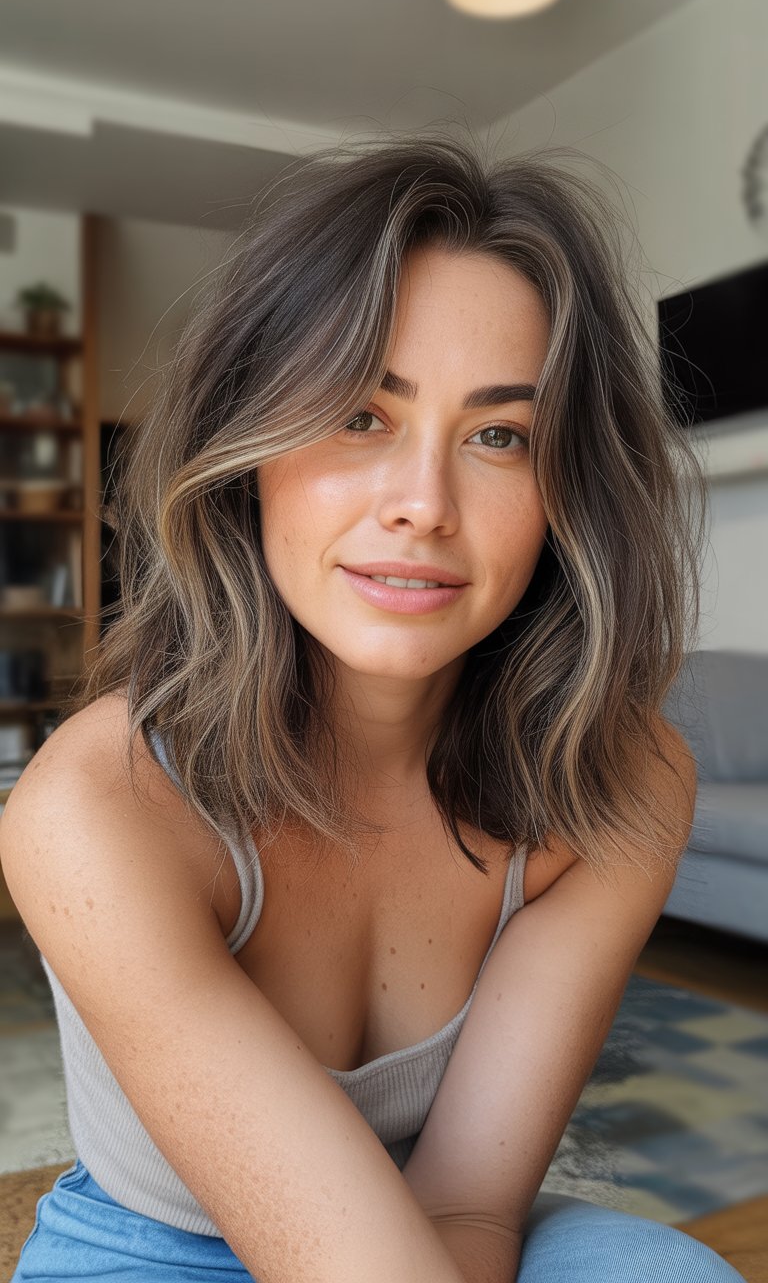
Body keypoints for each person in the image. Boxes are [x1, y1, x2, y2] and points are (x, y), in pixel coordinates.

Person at [0, 134, 744, 1283]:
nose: (422, 504)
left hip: (432, 1216)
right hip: (149, 1246)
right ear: (246, 447)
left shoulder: (623, 783)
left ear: (568, 495)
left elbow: (467, 1209)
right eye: (359, 414)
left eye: (499, 436)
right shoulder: (98, 805)